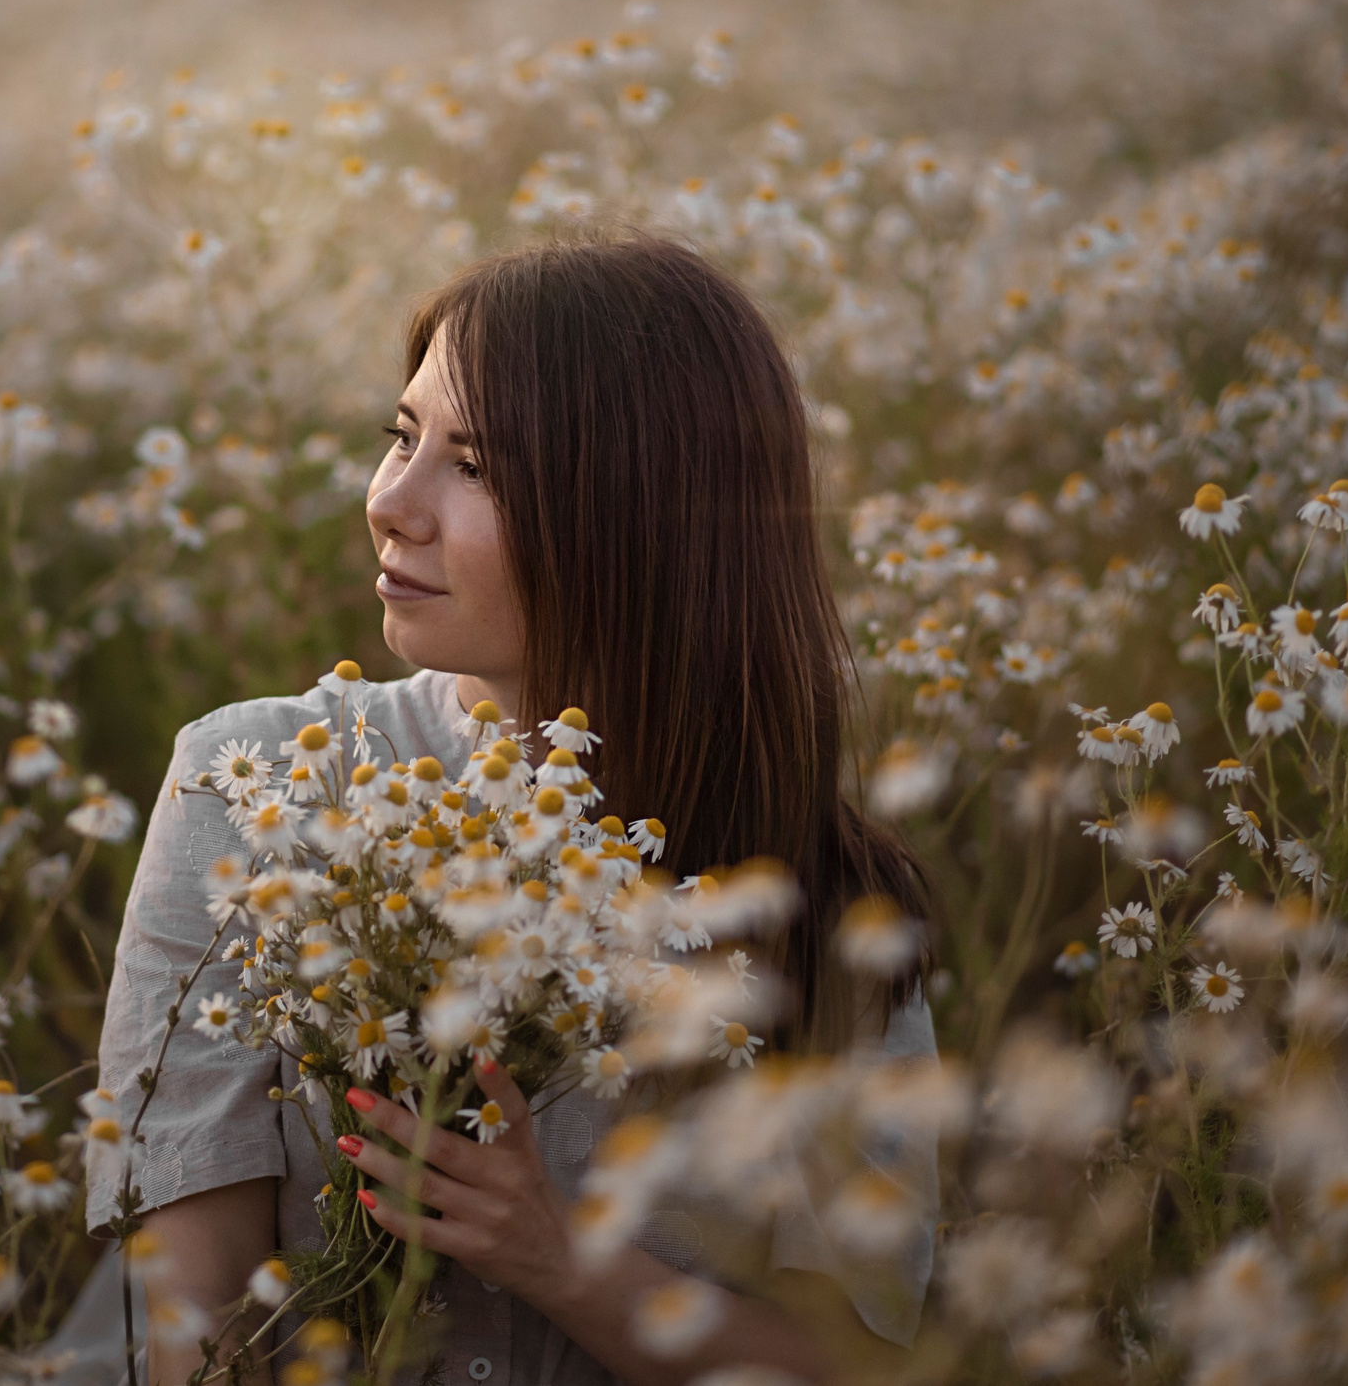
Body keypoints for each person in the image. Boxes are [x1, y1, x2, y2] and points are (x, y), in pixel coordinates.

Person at [88, 229, 940, 1386]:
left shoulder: (819, 895)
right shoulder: (255, 787)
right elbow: (183, 1323)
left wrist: (555, 1256)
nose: (394, 502)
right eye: (402, 438)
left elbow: (854, 1366)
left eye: (476, 467)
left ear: (641, 517)